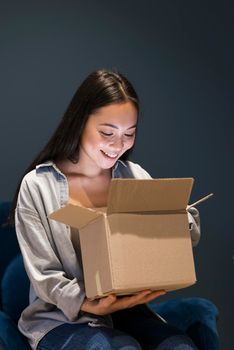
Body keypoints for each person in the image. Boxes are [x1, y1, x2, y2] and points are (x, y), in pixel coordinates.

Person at [13, 69, 201, 350]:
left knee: (180, 347)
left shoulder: (133, 176)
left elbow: (187, 236)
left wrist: (175, 219)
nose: (118, 145)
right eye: (106, 132)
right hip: (62, 318)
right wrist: (88, 303)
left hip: (128, 310)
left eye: (129, 134)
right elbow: (44, 273)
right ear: (79, 122)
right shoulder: (38, 185)